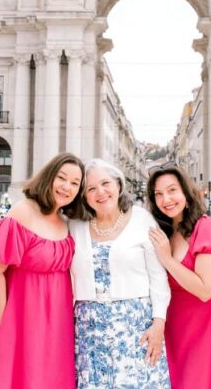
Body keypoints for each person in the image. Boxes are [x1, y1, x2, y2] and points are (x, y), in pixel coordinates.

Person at [0, 153, 86, 389]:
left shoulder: (66, 220)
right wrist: (5, 320)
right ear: (49, 177)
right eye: (62, 178)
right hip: (19, 314)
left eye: (75, 183)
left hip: (56, 318)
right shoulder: (24, 211)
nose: (67, 187)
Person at [70, 158, 171, 388]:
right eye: (91, 188)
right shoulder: (74, 225)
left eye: (106, 183)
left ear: (118, 185)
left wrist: (159, 324)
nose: (100, 192)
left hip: (136, 326)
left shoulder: (141, 219)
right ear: (84, 196)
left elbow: (158, 276)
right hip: (89, 330)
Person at [146, 167, 211, 389]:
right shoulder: (163, 231)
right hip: (173, 326)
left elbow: (206, 290)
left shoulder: (205, 227)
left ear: (186, 193)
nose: (165, 199)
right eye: (158, 194)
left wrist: (167, 259)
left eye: (172, 190)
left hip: (204, 326)